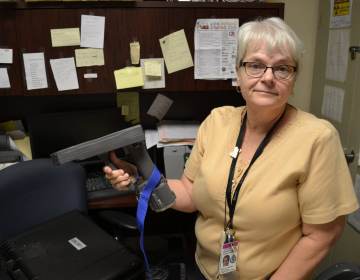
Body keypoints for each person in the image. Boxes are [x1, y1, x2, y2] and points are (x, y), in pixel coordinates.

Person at [104, 17, 359, 280]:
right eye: (256, 65)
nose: (268, 77)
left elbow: (321, 236)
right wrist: (139, 179)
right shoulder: (217, 121)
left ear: (293, 79)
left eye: (282, 68)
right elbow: (190, 193)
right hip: (205, 270)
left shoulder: (317, 138)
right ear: (237, 73)